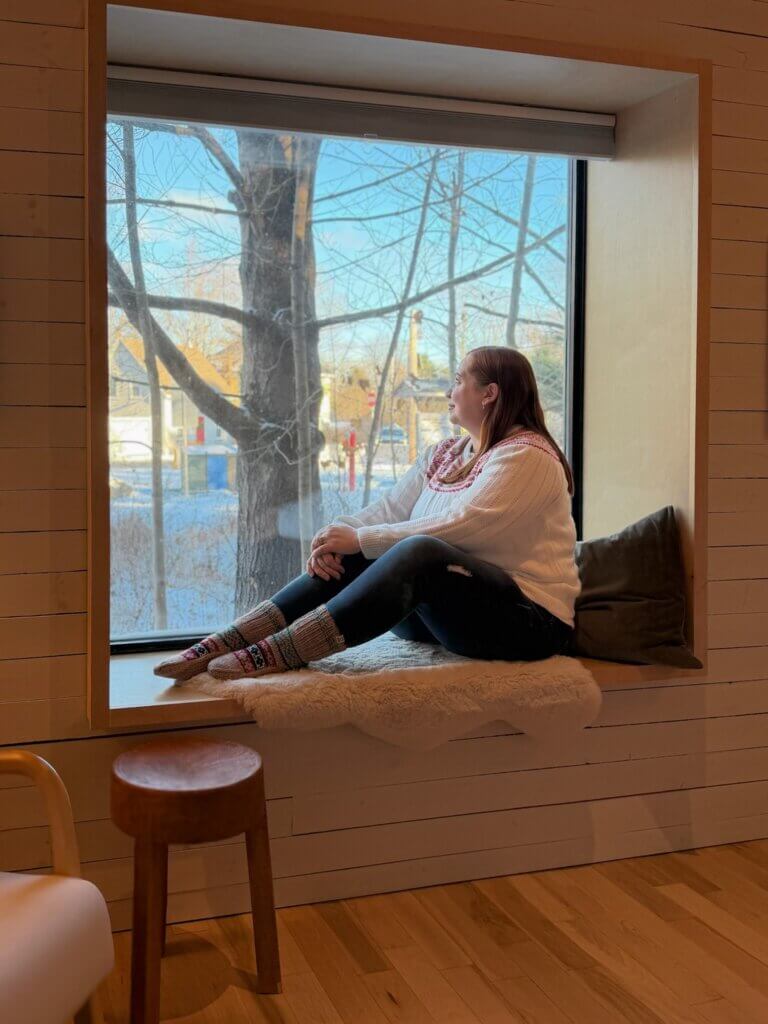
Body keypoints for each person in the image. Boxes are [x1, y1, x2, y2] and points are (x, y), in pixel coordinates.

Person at [155, 346, 581, 682]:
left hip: (525, 622)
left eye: (458, 381)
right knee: (368, 548)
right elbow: (391, 509)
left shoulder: (528, 457)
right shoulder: (447, 453)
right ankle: (228, 641)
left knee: (418, 551)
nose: (451, 392)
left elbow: (467, 526)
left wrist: (362, 540)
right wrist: (337, 536)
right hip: (447, 615)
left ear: (489, 394)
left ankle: (282, 652)